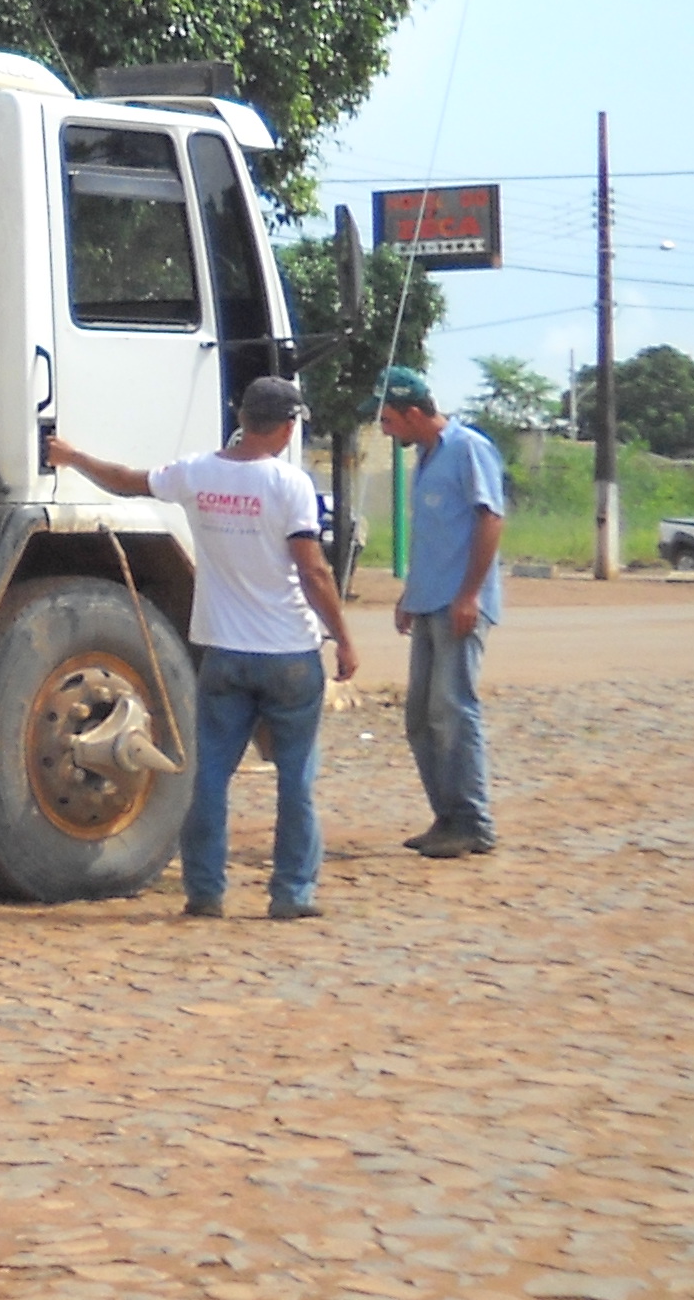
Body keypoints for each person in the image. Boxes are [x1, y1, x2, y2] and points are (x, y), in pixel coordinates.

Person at [46, 374, 361, 920]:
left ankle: (206, 890)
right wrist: (344, 638)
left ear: (243, 421)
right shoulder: (290, 485)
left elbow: (126, 481)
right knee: (295, 779)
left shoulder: (195, 473)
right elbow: (312, 569)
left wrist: (73, 456)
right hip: (288, 652)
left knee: (211, 775)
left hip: (223, 653)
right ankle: (291, 894)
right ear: (287, 428)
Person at [378, 364, 505, 858]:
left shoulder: (469, 449)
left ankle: (474, 821)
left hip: (460, 605)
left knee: (452, 709)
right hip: (429, 601)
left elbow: (490, 520)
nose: (387, 431)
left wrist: (470, 594)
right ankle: (446, 816)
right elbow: (434, 536)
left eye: (390, 421)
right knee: (420, 716)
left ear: (413, 413)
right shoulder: (425, 458)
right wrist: (411, 593)